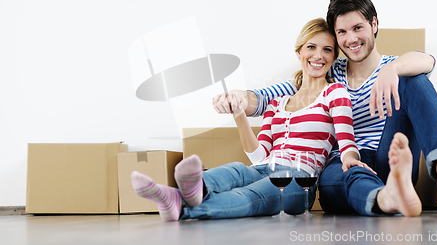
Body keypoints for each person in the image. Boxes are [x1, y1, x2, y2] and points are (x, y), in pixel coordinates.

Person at [213, 0, 437, 216]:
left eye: (358, 28)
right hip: (345, 163)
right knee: (332, 178)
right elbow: (262, 99)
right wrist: (236, 96)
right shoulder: (327, 72)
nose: (351, 38)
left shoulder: (394, 66)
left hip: (391, 156)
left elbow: (427, 60)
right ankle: (385, 198)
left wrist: (393, 69)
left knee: (415, 81)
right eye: (342, 32)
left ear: (374, 24)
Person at [131, 18, 371, 221]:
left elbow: (347, 141)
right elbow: (259, 156)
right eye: (312, 47)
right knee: (237, 170)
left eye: (327, 50)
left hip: (300, 180)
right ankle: (186, 189)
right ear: (299, 52)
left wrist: (350, 160)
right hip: (267, 167)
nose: (319, 55)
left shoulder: (335, 93)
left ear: (333, 57)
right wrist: (239, 115)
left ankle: (181, 206)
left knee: (249, 196)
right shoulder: (277, 103)